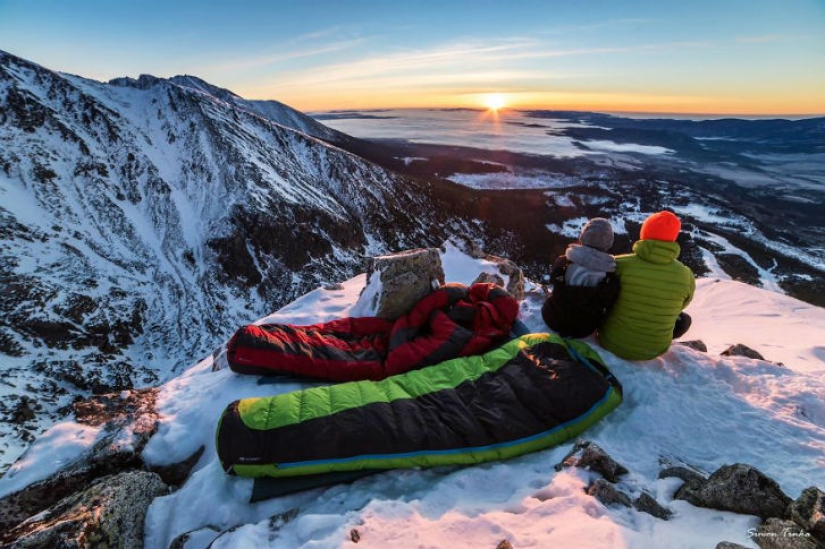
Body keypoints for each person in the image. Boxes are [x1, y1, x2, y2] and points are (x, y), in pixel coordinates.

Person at [598, 210, 695, 360]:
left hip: (611, 341)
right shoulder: (686, 274)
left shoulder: (619, 263)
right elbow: (681, 306)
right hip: (655, 350)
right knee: (685, 319)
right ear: (673, 238)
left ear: (644, 233)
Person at [541, 217, 620, 338]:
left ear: (582, 237)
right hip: (584, 328)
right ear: (609, 243)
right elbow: (608, 301)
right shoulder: (610, 275)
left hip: (552, 318)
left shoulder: (563, 261)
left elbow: (553, 281)